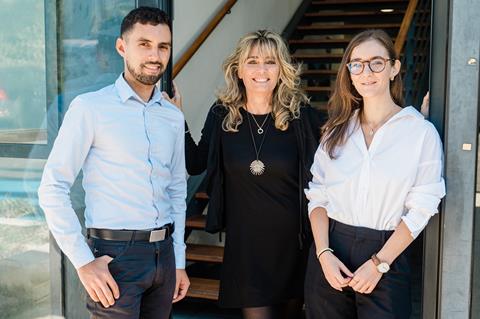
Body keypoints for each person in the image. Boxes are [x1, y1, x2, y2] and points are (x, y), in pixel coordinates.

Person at [38, 7, 189, 319]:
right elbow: (52, 188)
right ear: (122, 47)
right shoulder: (90, 108)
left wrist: (179, 261)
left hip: (164, 256)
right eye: (144, 44)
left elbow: (176, 190)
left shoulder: (172, 116)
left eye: (163, 46)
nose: (155, 55)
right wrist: (82, 261)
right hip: (115, 257)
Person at [168, 29, 325, 319]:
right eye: (252, 61)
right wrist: (178, 120)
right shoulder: (222, 115)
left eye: (270, 62)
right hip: (246, 249)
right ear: (238, 69)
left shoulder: (302, 118)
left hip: (294, 245)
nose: (261, 70)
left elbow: (338, 156)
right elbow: (195, 163)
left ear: (282, 69)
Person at [303, 29, 445, 318]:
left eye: (376, 62)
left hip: (386, 253)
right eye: (357, 63)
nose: (366, 72)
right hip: (331, 250)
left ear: (394, 68)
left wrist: (380, 263)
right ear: (349, 72)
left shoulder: (419, 132)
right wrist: (323, 254)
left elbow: (421, 209)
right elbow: (317, 197)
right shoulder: (336, 131)